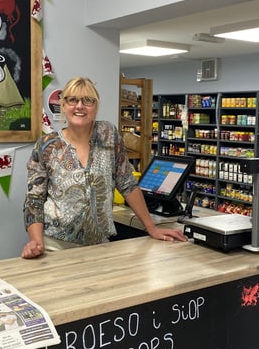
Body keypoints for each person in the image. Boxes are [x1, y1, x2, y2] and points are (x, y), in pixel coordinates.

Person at [21, 77, 187, 258]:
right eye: (72, 100)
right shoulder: (47, 145)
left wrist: (152, 228)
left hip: (100, 245)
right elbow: (34, 199)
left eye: (88, 100)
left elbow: (127, 184)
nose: (79, 106)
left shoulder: (108, 135)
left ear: (96, 105)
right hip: (55, 245)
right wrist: (36, 243)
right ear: (63, 104)